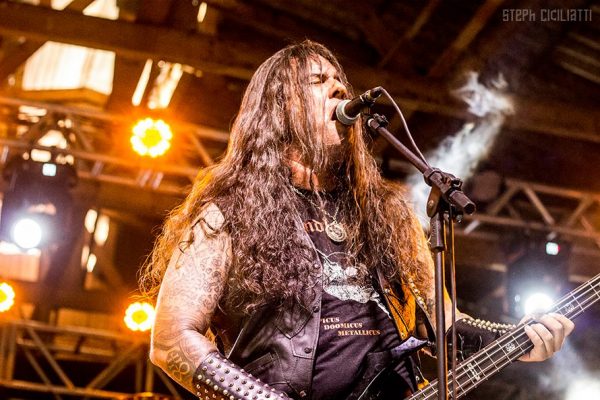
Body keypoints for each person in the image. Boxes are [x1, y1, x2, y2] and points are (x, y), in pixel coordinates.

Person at [140, 40, 574, 400]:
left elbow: (443, 327)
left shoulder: (389, 215)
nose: (337, 88)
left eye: (339, 81)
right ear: (278, 108)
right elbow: (172, 339)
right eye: (317, 81)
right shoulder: (231, 212)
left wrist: (518, 342)